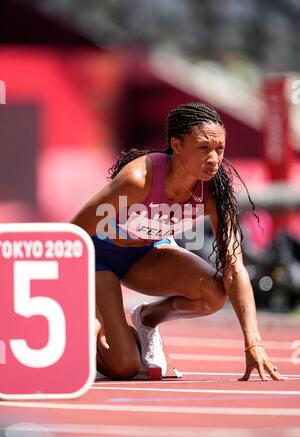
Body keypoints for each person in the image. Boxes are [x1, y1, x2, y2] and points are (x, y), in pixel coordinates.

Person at [70, 102, 283, 381]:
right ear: (177, 145)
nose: (214, 159)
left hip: (148, 255)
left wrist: (253, 341)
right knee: (125, 366)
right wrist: (72, 300)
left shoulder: (215, 190)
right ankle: (95, 328)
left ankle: (146, 319)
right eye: (203, 148)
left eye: (219, 149)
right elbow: (73, 232)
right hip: (100, 257)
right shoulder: (138, 178)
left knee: (214, 294)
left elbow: (235, 265)